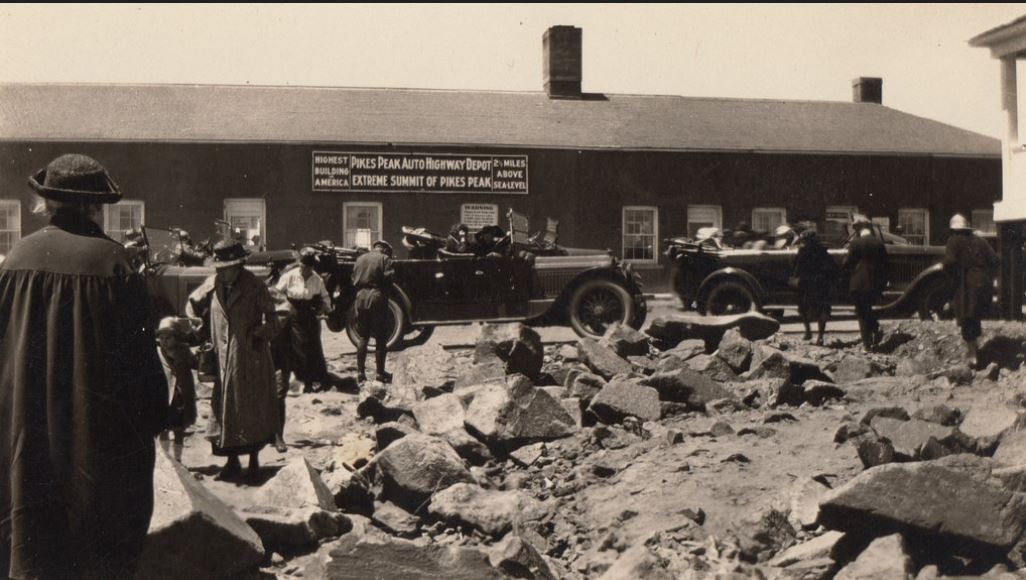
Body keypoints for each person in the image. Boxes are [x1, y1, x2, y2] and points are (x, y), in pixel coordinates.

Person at [0, 154, 168, 579]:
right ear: (96, 206)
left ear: (47, 204)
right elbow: (141, 368)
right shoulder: (114, 264)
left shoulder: (16, 258)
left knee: (34, 546)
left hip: (26, 437)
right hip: (94, 444)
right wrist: (158, 414)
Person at [187, 239, 280, 481]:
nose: (220, 272)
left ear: (238, 266)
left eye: (225, 268)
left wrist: (262, 333)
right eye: (218, 267)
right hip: (223, 359)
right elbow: (191, 305)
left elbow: (276, 316)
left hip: (250, 358)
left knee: (250, 409)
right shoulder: (214, 283)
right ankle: (231, 462)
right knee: (225, 408)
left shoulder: (255, 286)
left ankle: (254, 462)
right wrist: (199, 328)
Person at [273, 247, 333, 448]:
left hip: (308, 316)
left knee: (311, 349)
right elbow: (277, 292)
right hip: (291, 315)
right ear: (300, 264)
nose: (305, 270)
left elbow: (324, 297)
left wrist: (327, 308)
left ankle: (308, 381)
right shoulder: (290, 276)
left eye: (308, 267)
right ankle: (293, 380)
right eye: (303, 266)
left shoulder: (316, 279)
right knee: (291, 348)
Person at [943, 214, 999, 368]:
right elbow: (995, 260)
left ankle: (972, 356)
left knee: (966, 318)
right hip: (983, 284)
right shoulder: (980, 240)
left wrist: (953, 276)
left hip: (966, 284)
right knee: (974, 317)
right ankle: (973, 352)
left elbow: (949, 262)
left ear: (954, 229)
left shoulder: (953, 240)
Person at [352, 239, 395, 383]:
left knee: (363, 337)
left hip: (360, 297)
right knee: (380, 338)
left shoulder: (360, 259)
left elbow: (353, 279)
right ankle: (380, 373)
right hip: (376, 296)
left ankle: (360, 373)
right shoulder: (385, 259)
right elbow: (389, 279)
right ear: (384, 249)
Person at [157, 316, 199, 463]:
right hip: (163, 396)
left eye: (168, 338)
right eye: (161, 338)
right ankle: (166, 460)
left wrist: (201, 355)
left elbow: (196, 364)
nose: (164, 341)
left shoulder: (184, 351)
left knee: (179, 429)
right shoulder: (157, 353)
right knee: (163, 429)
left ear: (177, 338)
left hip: (181, 397)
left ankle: (178, 459)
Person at [844, 216, 888, 351]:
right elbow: (885, 266)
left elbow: (848, 263)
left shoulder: (855, 243)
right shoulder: (879, 243)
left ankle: (867, 343)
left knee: (861, 313)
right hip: (874, 284)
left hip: (858, 284)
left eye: (855, 228)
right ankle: (874, 330)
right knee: (867, 309)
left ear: (858, 229)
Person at [792, 230, 838, 345]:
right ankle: (820, 336)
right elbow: (832, 267)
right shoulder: (823, 250)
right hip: (822, 284)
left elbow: (797, 268)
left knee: (803, 308)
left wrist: (795, 278)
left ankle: (808, 332)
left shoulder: (803, 251)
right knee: (822, 310)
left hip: (807, 284)